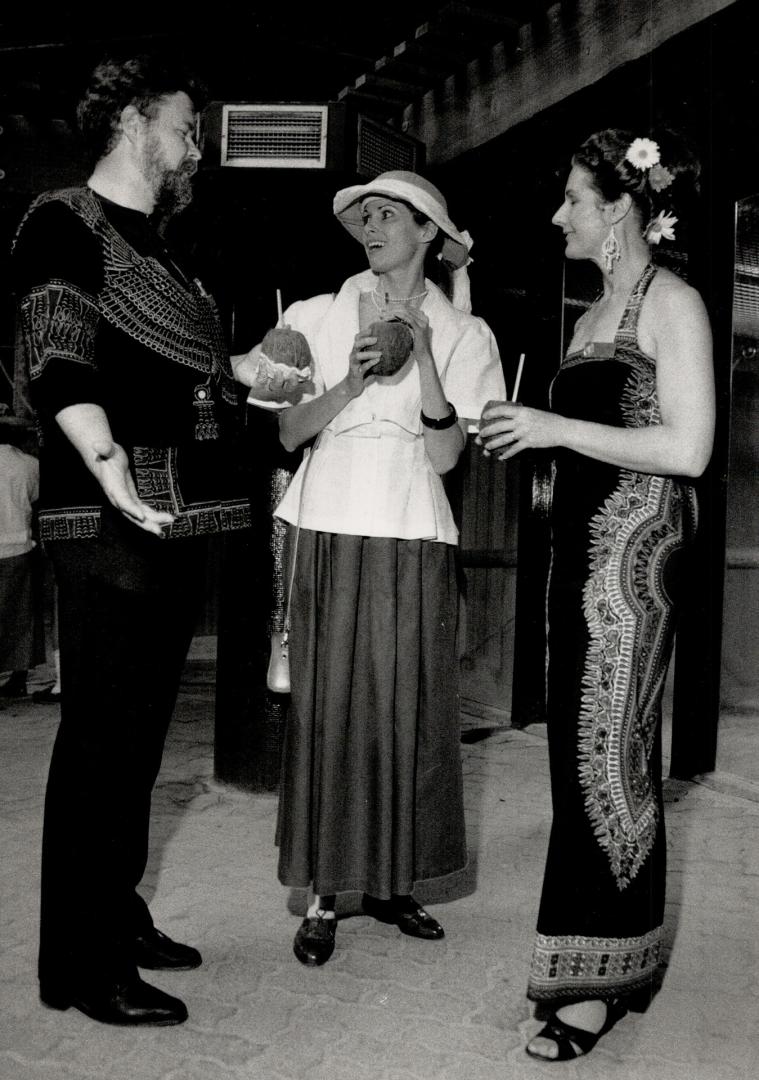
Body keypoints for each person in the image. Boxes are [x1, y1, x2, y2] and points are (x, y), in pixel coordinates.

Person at [12, 53, 300, 1027]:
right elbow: (57, 357)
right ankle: (80, 966)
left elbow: (196, 377)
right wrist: (110, 471)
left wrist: (261, 374)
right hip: (109, 519)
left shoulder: (166, 248)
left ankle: (119, 914)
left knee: (136, 743)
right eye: (184, 123)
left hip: (175, 521)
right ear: (134, 121)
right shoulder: (63, 221)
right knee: (99, 742)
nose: (195, 144)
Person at [478, 129, 715, 1060]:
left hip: (629, 563)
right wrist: (533, 436)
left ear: (615, 206)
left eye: (570, 198)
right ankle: (586, 960)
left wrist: (552, 425)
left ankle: (603, 980)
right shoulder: (590, 315)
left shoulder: (676, 304)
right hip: (573, 564)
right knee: (575, 763)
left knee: (611, 763)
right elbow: (584, 437)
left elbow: (688, 450)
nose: (556, 215)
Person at [256, 170, 505, 966]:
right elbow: (289, 435)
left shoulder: (467, 333)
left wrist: (424, 356)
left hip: (411, 527)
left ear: (428, 233)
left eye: (389, 214)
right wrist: (352, 382)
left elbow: (444, 452)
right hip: (327, 521)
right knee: (328, 709)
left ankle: (395, 882)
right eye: (364, 214)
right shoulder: (310, 317)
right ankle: (326, 893)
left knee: (407, 706)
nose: (371, 225)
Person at [0, 412, 44, 699]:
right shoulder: (31, 465)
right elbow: (36, 502)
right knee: (21, 615)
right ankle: (18, 677)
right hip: (19, 547)